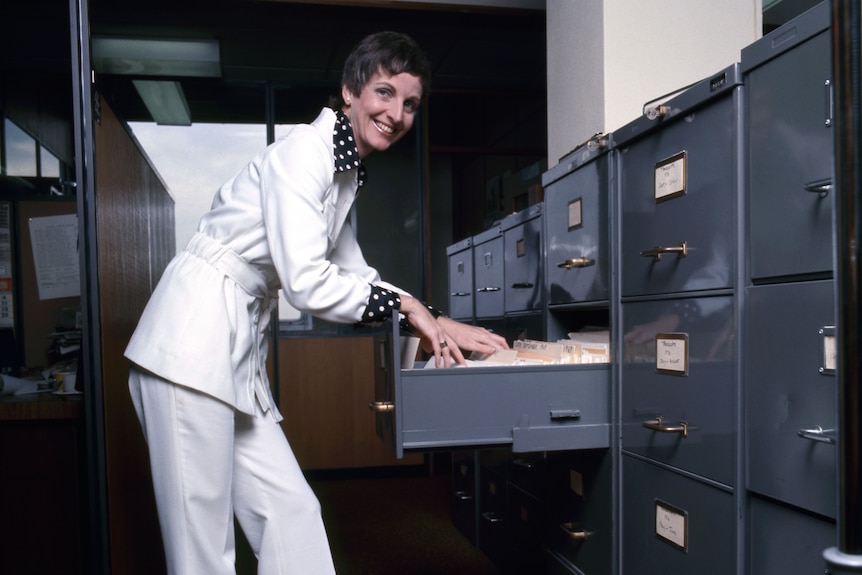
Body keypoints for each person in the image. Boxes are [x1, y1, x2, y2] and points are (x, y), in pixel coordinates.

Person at [124, 30, 508, 575]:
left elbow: (355, 274)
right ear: (350, 91)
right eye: (384, 93)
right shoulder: (303, 153)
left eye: (410, 104)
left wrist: (436, 317)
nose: (397, 113)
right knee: (201, 552)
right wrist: (408, 311)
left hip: (228, 354)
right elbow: (306, 283)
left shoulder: (342, 171)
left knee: (292, 513)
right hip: (190, 344)